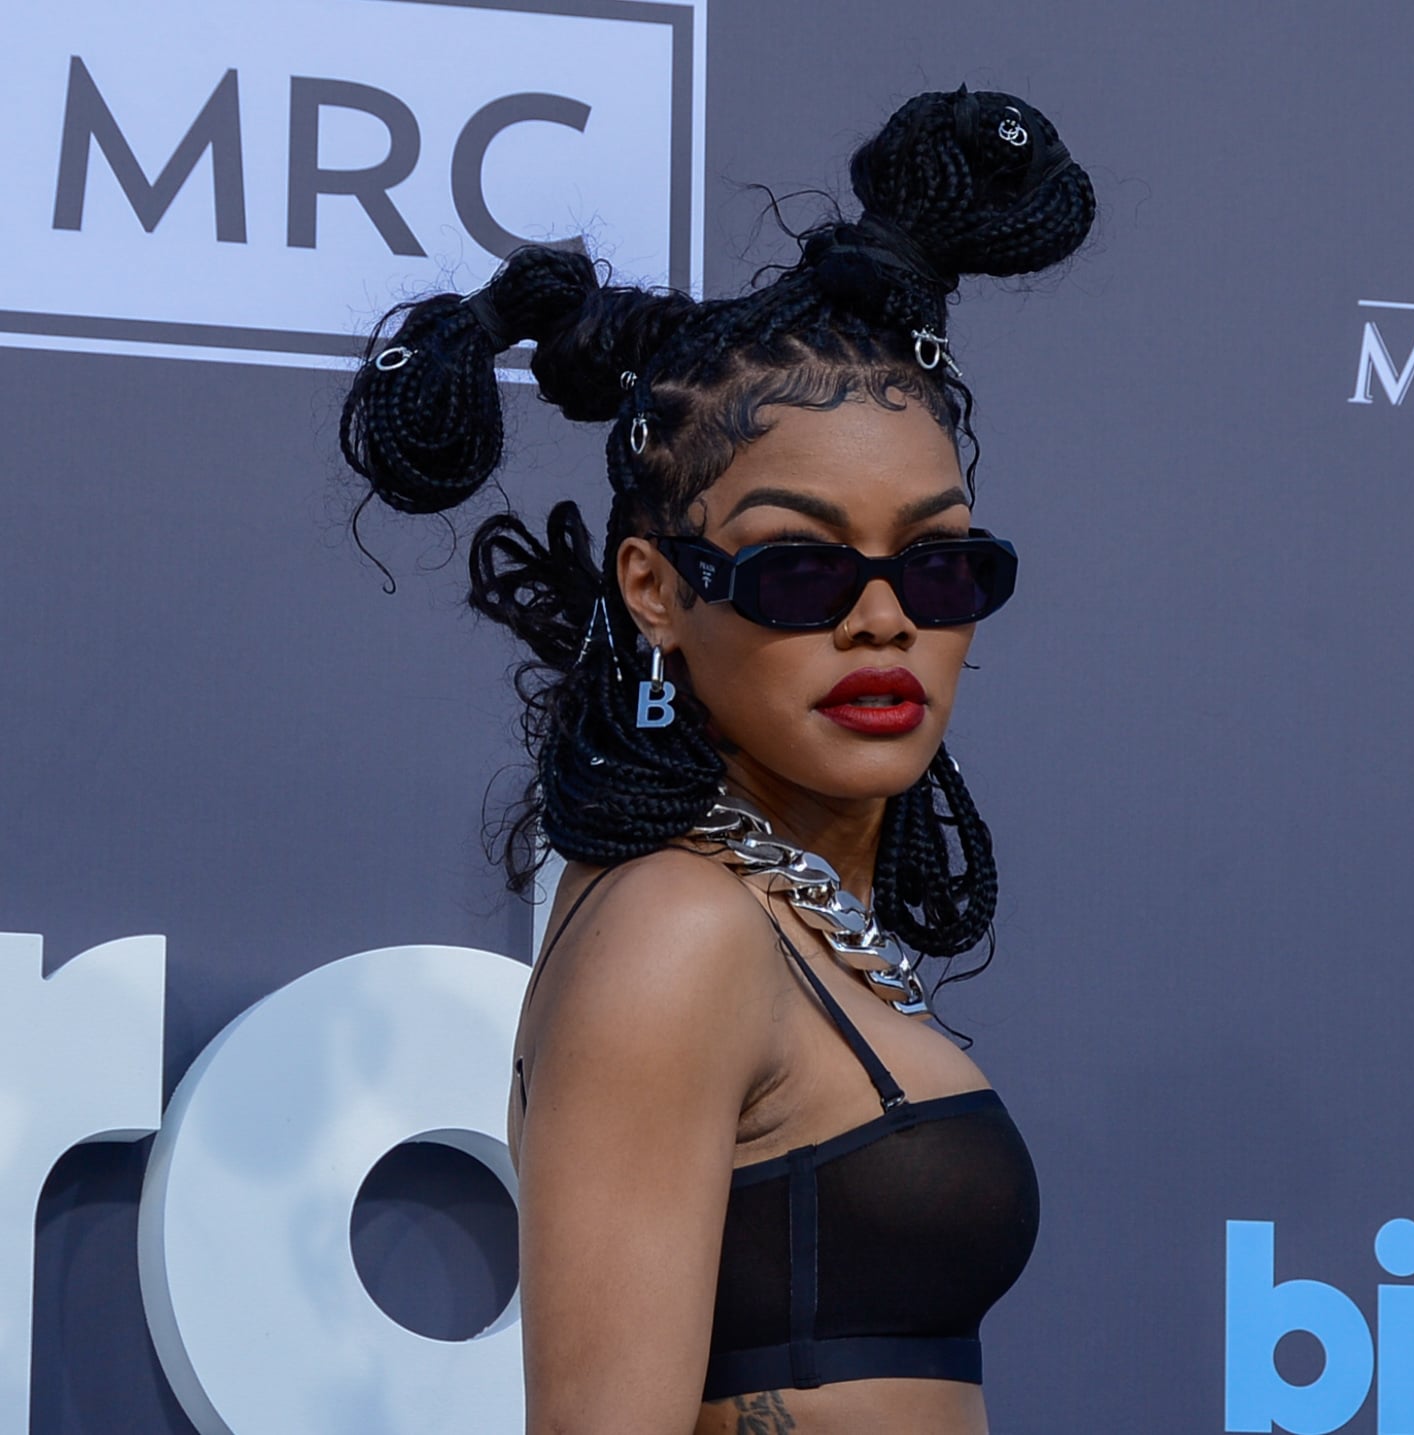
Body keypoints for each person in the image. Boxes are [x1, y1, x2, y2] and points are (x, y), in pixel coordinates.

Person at [340, 86, 1094, 1434]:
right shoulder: (680, 929)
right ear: (654, 589)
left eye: (937, 564)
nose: (885, 615)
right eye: (802, 567)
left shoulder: (783, 913)